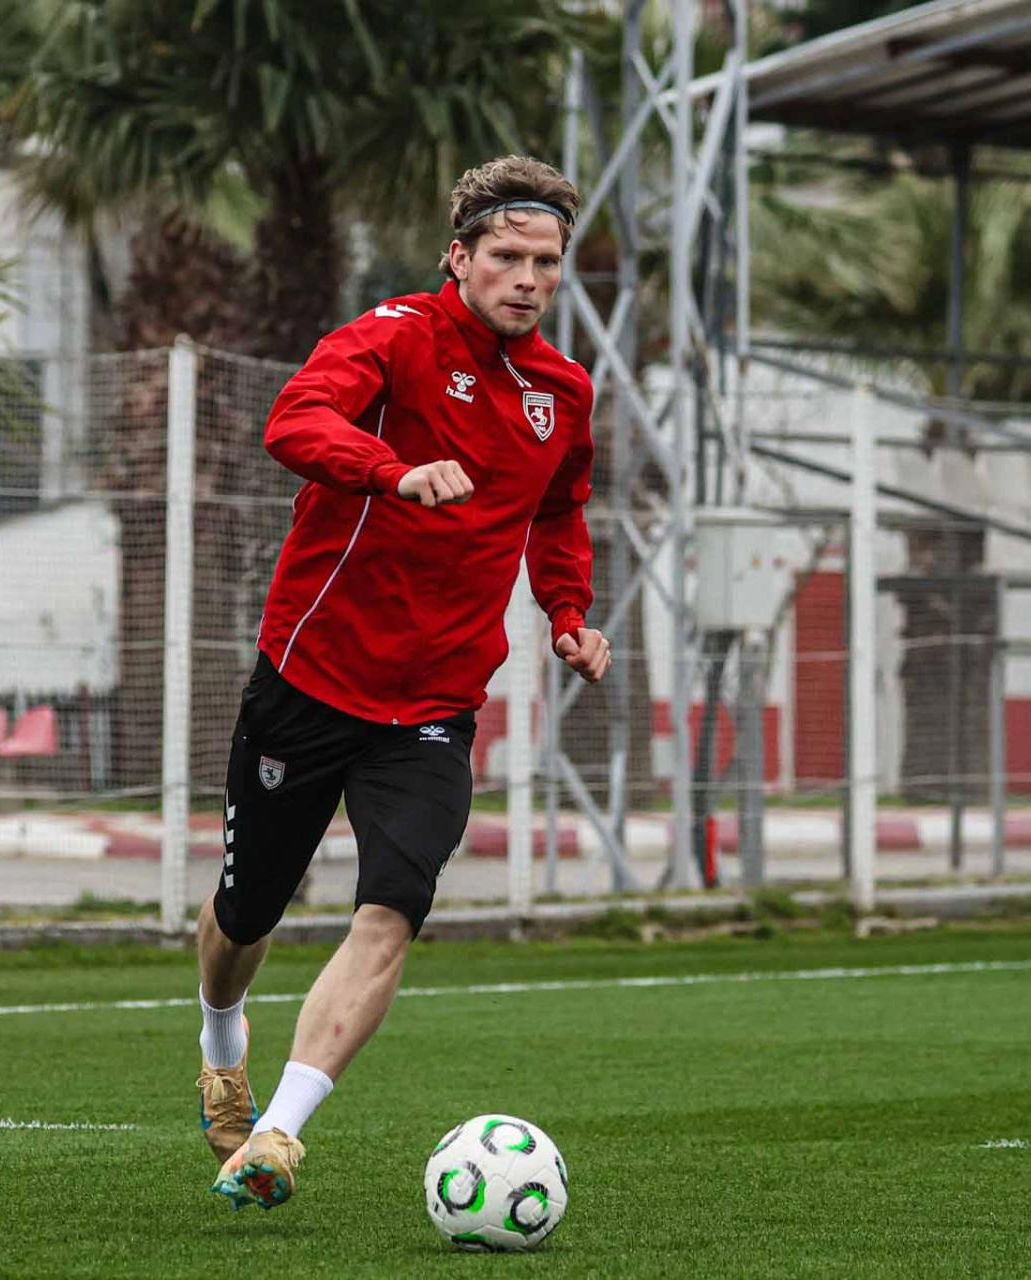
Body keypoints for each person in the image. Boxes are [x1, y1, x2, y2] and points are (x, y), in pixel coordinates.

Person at [197, 155, 609, 1211]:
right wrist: (393, 471)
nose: (527, 278)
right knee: (246, 912)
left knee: (391, 909)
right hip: (312, 676)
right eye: (507, 256)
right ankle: (221, 1040)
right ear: (458, 257)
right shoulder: (392, 336)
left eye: (546, 262)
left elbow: (558, 511)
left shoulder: (563, 392)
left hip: (433, 706)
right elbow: (293, 421)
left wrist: (568, 613)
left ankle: (279, 1134)